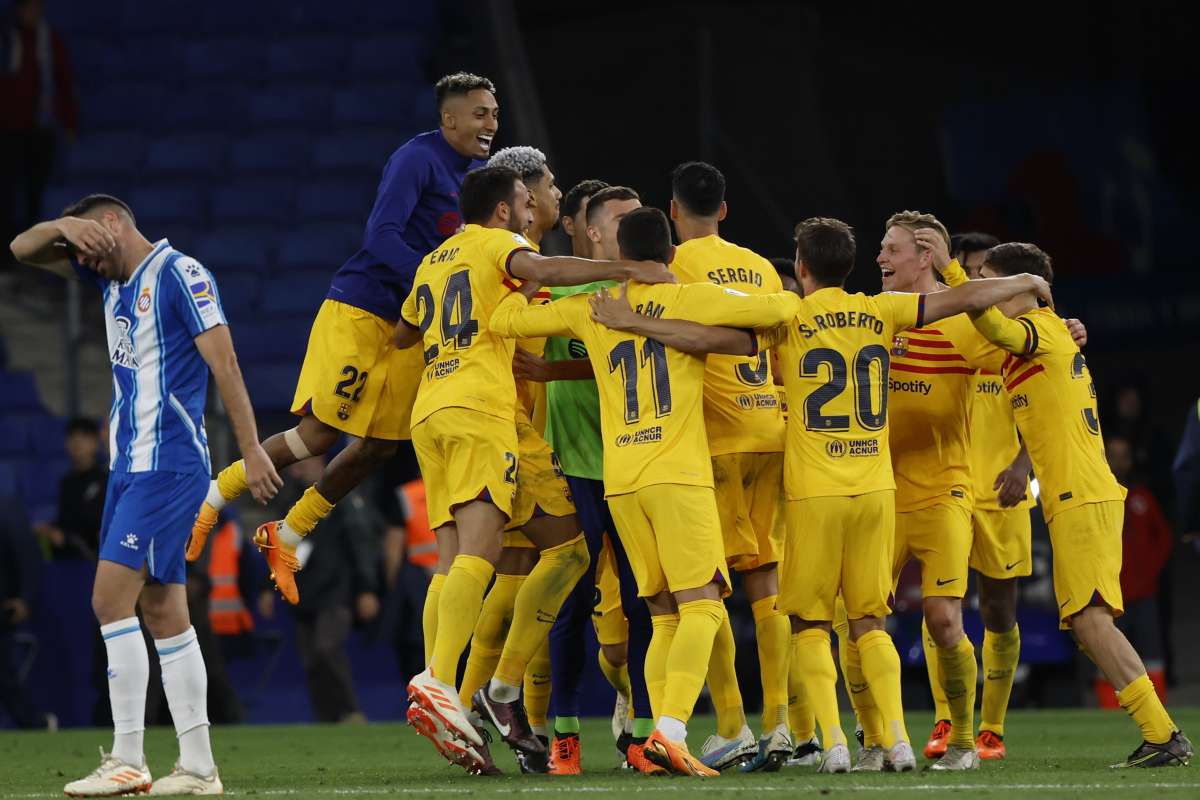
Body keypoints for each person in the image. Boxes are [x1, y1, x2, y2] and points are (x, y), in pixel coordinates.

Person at [592, 216, 1053, 774]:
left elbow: (714, 337)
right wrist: (1023, 283)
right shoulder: (881, 311)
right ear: (851, 265)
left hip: (814, 494)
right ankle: (899, 741)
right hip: (876, 491)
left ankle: (833, 741)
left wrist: (638, 320)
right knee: (870, 624)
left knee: (813, 626)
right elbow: (968, 297)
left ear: (801, 267)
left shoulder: (789, 313)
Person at [492, 206, 803, 777]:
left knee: (660, 615)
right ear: (669, 253)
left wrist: (530, 280)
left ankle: (652, 743)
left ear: (624, 254)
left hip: (622, 480)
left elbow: (509, 322)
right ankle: (671, 732)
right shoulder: (686, 294)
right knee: (705, 603)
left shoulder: (593, 306)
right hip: (677, 475)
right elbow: (784, 306)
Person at [395, 166, 672, 775]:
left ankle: (482, 691)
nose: (528, 212)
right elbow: (543, 269)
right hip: (479, 410)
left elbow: (402, 333)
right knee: (480, 548)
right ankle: (443, 685)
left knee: (553, 548)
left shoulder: (433, 260)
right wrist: (628, 268)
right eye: (522, 201)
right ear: (500, 210)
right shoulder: (503, 247)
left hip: (431, 411)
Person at [189, 72, 500, 606]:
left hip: (411, 325)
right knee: (316, 436)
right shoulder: (417, 159)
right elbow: (380, 236)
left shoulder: (479, 176)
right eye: (479, 114)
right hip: (363, 309)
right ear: (448, 118)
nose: (491, 123)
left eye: (494, 114)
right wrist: (435, 279)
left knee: (381, 446)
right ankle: (212, 498)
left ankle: (285, 534)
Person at [9, 193, 282, 795]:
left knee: (109, 600)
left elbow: (226, 363)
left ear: (112, 226)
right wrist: (63, 226)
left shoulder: (180, 273)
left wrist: (252, 447)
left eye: (87, 249)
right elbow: (20, 250)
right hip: (129, 467)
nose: (85, 263)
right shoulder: (106, 273)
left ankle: (128, 757)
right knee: (162, 611)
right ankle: (199, 766)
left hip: (170, 464)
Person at [929, 236, 1192, 768]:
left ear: (1020, 288)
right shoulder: (1048, 335)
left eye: (994, 282)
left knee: (1093, 622)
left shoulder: (1038, 331)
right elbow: (985, 339)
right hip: (1079, 495)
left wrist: (954, 275)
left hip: (1081, 496)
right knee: (1089, 622)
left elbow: (996, 326)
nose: (988, 291)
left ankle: (1164, 735)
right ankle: (1160, 733)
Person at [662, 162, 792, 773]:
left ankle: (733, 727)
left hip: (713, 443)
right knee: (767, 584)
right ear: (725, 209)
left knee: (704, 586)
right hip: (770, 429)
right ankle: (784, 725)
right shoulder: (763, 267)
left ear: (672, 210)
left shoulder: (676, 265)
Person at [526, 182, 659, 774]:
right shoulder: (564, 288)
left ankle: (644, 735)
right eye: (622, 219)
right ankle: (565, 736)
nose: (634, 225)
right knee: (572, 604)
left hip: (639, 465)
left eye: (640, 217)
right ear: (595, 232)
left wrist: (553, 367)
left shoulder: (655, 290)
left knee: (644, 603)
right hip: (575, 466)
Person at [258, 457, 382, 724]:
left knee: (327, 647)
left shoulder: (340, 496)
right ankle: (325, 717)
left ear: (320, 463)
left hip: (336, 590)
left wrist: (366, 588)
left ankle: (350, 711)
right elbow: (274, 545)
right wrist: (267, 587)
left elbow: (359, 541)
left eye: (304, 462)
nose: (296, 469)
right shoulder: (290, 499)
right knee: (311, 659)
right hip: (303, 593)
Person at [1096, 436, 1173, 706]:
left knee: (1151, 652)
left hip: (1143, 594)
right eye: (1113, 455)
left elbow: (1163, 539)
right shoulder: (1096, 496)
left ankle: (1157, 711)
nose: (1118, 461)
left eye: (1123, 455)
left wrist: (1147, 574)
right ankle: (1108, 713)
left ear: (1131, 460)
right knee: (1106, 653)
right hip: (1109, 591)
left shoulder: (1142, 498)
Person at [0, 0, 77, 252]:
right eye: (28, 7)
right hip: (6, 131)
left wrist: (69, 122)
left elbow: (62, 81)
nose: (33, 13)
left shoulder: (48, 41)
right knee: (6, 196)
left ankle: (32, 258)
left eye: (37, 7)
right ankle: (6, 259)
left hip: (39, 130)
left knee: (36, 197)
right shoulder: (5, 39)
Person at [0, 491, 54, 730]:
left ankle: (37, 723)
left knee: (5, 676)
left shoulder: (6, 507)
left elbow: (28, 555)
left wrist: (25, 598)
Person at [35, 417, 108, 561]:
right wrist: (48, 529)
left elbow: (96, 524)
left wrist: (64, 536)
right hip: (65, 549)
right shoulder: (67, 482)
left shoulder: (105, 479)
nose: (77, 442)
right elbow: (65, 520)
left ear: (96, 443)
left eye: (84, 437)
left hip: (94, 554)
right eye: (72, 437)